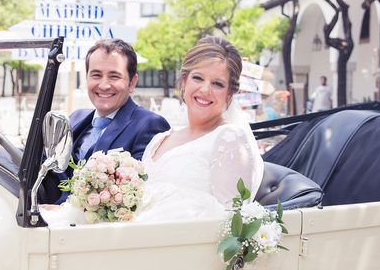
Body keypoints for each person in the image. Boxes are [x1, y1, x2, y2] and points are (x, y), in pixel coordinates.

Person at [43, 36, 264, 223]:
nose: (205, 89)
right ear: (184, 82)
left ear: (229, 94)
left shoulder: (229, 138)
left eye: (217, 83)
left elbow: (230, 218)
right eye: (198, 78)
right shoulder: (162, 139)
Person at [45, 39, 170, 204]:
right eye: (96, 75)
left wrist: (63, 211)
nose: (104, 85)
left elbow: (137, 195)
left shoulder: (150, 125)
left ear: (132, 82)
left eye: (114, 76)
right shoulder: (76, 117)